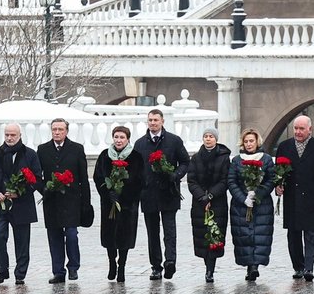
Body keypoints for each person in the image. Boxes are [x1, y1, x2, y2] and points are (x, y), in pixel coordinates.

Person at [132, 108, 189, 279]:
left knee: (169, 230)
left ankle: (170, 261)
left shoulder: (174, 141)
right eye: (150, 120)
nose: (153, 123)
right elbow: (135, 169)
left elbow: (185, 162)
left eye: (156, 120)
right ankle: (156, 266)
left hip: (168, 192)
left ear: (162, 121)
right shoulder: (140, 144)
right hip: (148, 193)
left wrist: (176, 175)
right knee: (152, 232)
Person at [0, 123, 42, 285]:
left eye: (13, 135)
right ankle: (2, 271)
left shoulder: (30, 154)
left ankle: (20, 274)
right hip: (0, 203)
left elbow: (37, 179)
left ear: (20, 135)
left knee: (22, 241)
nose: (9, 138)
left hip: (22, 205)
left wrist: (19, 192)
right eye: (7, 135)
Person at [273, 115, 314, 281]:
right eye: (295, 128)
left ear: (310, 129)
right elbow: (278, 171)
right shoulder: (284, 147)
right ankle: (298, 267)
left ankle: (309, 267)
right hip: (292, 197)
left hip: (311, 197)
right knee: (293, 234)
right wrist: (278, 186)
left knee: (310, 234)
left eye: (301, 129)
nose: (298, 132)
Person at [35, 118, 90, 283]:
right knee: (54, 236)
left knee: (71, 234)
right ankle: (58, 271)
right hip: (52, 200)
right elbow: (37, 175)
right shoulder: (43, 149)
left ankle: (73, 266)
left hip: (72, 200)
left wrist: (86, 203)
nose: (57, 132)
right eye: (54, 129)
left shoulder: (77, 149)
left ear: (66, 131)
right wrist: (45, 189)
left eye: (60, 129)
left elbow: (83, 178)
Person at [226, 129, 276, 283]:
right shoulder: (236, 161)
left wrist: (257, 194)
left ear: (257, 142)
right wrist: (243, 198)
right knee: (244, 235)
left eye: (251, 141)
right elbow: (231, 181)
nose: (249, 144)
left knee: (260, 235)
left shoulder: (266, 159)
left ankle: (255, 266)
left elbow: (271, 179)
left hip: (262, 204)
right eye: (246, 141)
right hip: (241, 205)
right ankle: (249, 265)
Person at [94, 125, 142, 282]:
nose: (119, 140)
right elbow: (98, 177)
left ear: (128, 139)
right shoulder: (104, 156)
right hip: (109, 204)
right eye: (116, 137)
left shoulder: (136, 157)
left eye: (122, 137)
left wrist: (124, 194)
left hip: (128, 204)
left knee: (124, 236)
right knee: (109, 235)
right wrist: (108, 193)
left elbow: (140, 180)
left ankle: (122, 266)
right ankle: (111, 263)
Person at [187, 128, 231, 283]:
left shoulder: (224, 158)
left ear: (216, 139)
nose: (208, 139)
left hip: (217, 203)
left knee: (215, 235)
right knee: (202, 236)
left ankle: (210, 269)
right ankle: (207, 265)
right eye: (205, 136)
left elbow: (225, 180)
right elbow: (191, 180)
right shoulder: (196, 158)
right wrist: (202, 197)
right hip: (199, 203)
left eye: (211, 136)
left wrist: (211, 195)